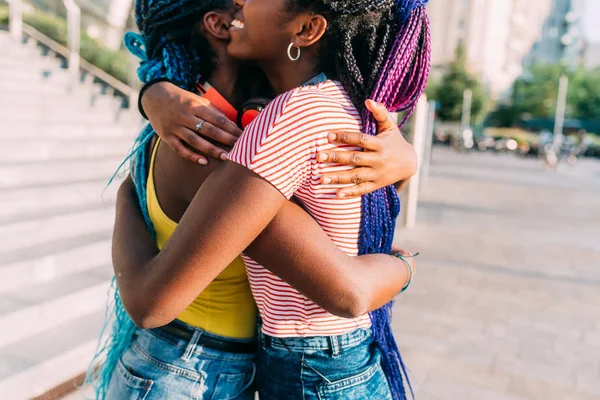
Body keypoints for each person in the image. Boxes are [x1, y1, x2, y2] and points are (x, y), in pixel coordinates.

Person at [86, 0, 423, 399]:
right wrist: (404, 264)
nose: (246, 3)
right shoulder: (224, 139)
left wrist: (406, 164)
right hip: (202, 367)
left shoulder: (261, 120)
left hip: (241, 364)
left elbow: (347, 229)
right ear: (219, 25)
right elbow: (349, 288)